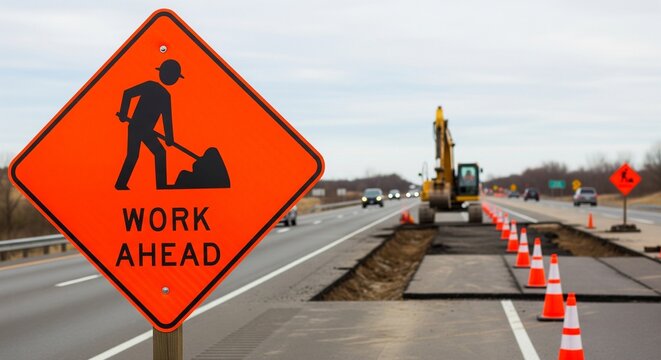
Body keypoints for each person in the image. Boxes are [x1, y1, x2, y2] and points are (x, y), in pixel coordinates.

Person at [114, 59, 183, 190]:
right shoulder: (152, 87)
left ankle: (161, 186)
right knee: (134, 155)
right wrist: (124, 114)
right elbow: (127, 93)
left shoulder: (163, 94)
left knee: (159, 153)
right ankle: (120, 184)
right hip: (135, 127)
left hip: (146, 131)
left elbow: (167, 119)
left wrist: (169, 138)